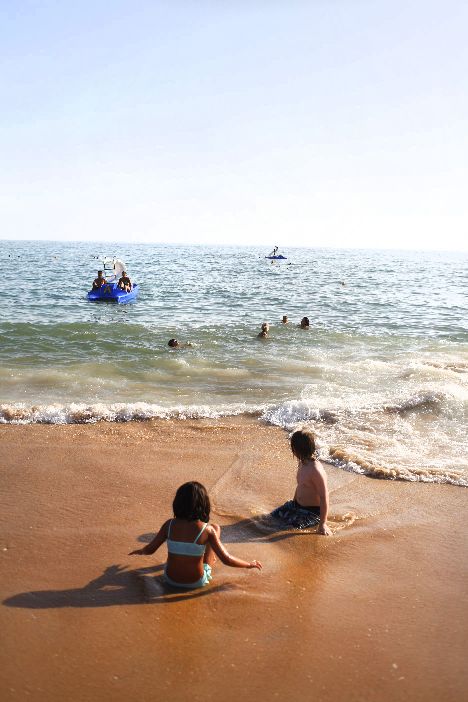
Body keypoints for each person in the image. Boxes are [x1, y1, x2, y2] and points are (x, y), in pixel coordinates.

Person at [129, 481, 262, 588]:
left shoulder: (169, 525)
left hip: (170, 580)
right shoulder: (207, 530)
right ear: (204, 505)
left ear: (177, 503)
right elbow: (227, 559)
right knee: (215, 529)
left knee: (203, 536)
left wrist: (141, 551)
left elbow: (150, 550)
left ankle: (194, 556)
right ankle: (209, 560)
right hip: (195, 582)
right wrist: (249, 564)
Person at [270, 430, 332, 534]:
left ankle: (318, 523)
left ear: (296, 450)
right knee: (273, 516)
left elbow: (324, 496)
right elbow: (300, 486)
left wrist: (323, 524)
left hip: (311, 512)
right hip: (296, 506)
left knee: (288, 528)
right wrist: (294, 502)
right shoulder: (302, 463)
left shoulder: (315, 470)